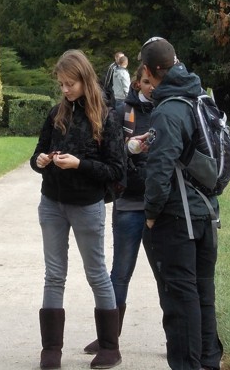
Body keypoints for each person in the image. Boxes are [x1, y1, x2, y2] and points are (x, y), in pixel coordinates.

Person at [30, 49, 126, 370]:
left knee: (96, 273)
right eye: (61, 84)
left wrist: (80, 164)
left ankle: (110, 347)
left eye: (70, 83)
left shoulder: (107, 118)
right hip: (52, 203)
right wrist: (41, 161)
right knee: (53, 274)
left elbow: (115, 171)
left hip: (87, 206)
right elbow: (37, 155)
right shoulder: (57, 113)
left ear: (85, 79)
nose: (65, 90)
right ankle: (51, 350)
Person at [139, 37, 223, 370]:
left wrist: (150, 214)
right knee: (203, 294)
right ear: (176, 62)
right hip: (207, 213)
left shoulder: (169, 109)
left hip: (178, 218)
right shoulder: (200, 98)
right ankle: (209, 361)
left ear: (147, 70)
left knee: (180, 299)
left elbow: (159, 171)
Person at [84, 63, 154, 354]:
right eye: (146, 81)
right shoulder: (124, 111)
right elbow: (111, 150)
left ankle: (177, 336)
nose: (152, 86)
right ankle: (108, 338)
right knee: (120, 273)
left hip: (161, 206)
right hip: (129, 204)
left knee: (168, 276)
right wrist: (130, 147)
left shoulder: (171, 110)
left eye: (155, 80)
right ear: (136, 83)